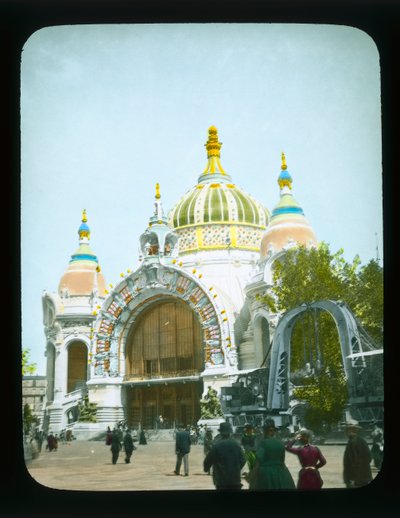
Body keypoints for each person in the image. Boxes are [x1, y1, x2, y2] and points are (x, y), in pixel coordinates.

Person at [249, 418, 295, 490]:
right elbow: (282, 461)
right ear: (273, 431)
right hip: (281, 473)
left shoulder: (263, 443)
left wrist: (251, 478)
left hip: (266, 475)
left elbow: (258, 463)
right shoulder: (280, 444)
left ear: (265, 431)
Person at [203, 422, 246, 491]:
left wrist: (206, 468)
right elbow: (243, 459)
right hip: (235, 480)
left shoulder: (217, 445)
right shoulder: (236, 445)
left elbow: (208, 460)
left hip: (221, 481)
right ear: (230, 432)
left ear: (221, 433)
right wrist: (236, 468)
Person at [343, 419, 372, 488]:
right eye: (348, 429)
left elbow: (363, 460)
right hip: (357, 479)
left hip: (358, 481)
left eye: (351, 429)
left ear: (355, 431)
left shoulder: (358, 442)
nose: (348, 432)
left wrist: (353, 479)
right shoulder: (352, 442)